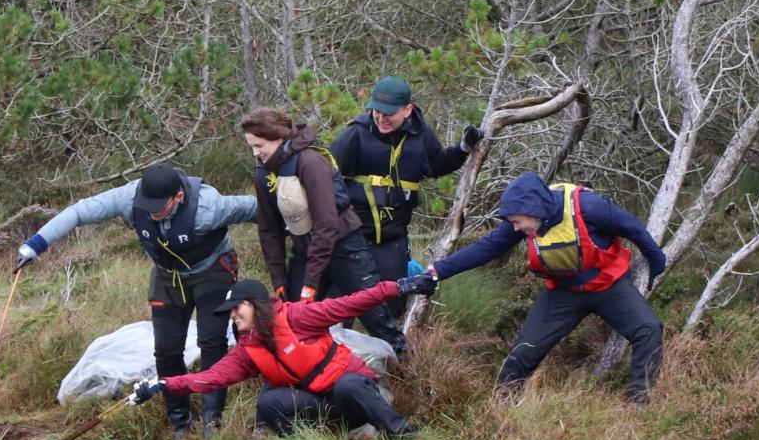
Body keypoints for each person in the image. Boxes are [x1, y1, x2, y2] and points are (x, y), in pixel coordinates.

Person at [14, 164, 256, 440]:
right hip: (168, 275)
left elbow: (258, 208)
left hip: (212, 268)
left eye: (159, 206)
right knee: (166, 350)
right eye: (147, 205)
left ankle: (212, 425)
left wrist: (297, 227)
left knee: (212, 343)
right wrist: (35, 245)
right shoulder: (129, 198)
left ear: (178, 197)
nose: (151, 212)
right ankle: (181, 425)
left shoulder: (209, 206)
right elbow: (79, 212)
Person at [427, 172, 666, 404]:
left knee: (648, 329)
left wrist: (656, 264)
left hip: (608, 284)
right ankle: (501, 407)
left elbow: (633, 228)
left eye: (518, 222)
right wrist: (437, 272)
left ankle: (640, 403)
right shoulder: (526, 219)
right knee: (524, 351)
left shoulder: (590, 207)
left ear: (534, 210)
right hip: (564, 291)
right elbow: (485, 248)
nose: (516, 228)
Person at [128, 275, 438, 440]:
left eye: (238, 308)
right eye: (230, 312)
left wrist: (399, 286)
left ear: (255, 303)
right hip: (324, 408)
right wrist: (163, 385)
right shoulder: (247, 350)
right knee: (269, 403)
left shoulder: (298, 316)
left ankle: (401, 434)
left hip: (358, 392)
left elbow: (350, 304)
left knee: (347, 387)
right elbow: (210, 377)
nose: (233, 316)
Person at [241, 108, 408, 355]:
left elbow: (326, 224)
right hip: (304, 251)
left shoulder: (310, 162)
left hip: (344, 247)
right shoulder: (264, 171)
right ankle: (307, 379)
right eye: (251, 147)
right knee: (295, 318)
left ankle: (406, 366)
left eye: (259, 145)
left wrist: (310, 283)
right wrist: (279, 279)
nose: (256, 153)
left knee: (374, 315)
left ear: (278, 137)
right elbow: (269, 229)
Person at [329, 76, 483, 313]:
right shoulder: (354, 135)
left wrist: (464, 148)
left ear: (407, 109)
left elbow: (438, 164)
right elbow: (326, 179)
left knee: (392, 306)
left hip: (392, 239)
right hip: (352, 236)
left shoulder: (421, 136)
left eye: (388, 113)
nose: (380, 118)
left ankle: (389, 347)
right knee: (339, 307)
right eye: (376, 111)